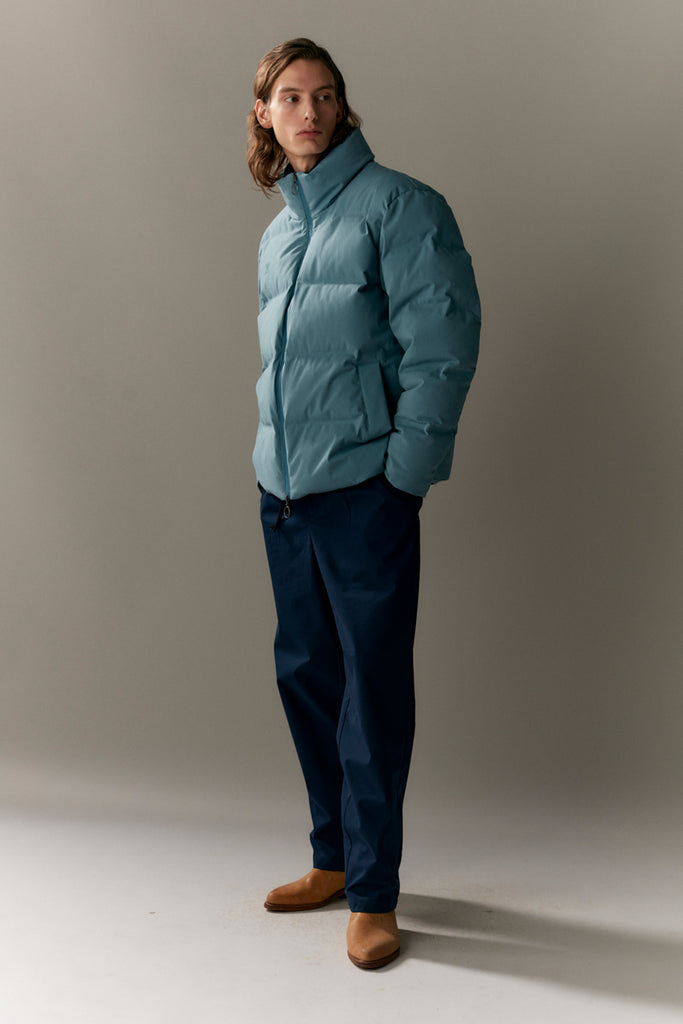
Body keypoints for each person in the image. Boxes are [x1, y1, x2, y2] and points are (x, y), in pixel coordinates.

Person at [246, 38, 480, 970]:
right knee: (307, 674)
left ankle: (375, 894)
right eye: (289, 97)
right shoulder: (280, 234)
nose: (308, 112)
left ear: (342, 107)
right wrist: (272, 469)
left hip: (362, 496)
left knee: (371, 688)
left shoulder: (400, 206)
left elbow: (443, 348)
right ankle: (334, 860)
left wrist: (400, 482)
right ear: (263, 114)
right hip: (285, 494)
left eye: (324, 95)